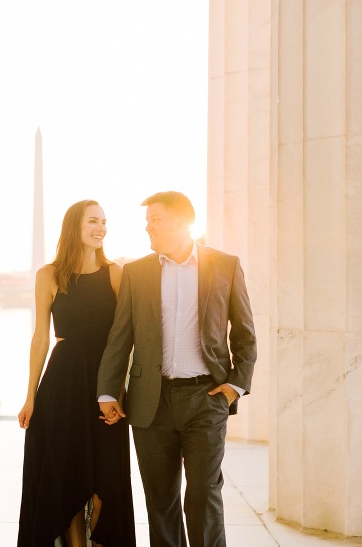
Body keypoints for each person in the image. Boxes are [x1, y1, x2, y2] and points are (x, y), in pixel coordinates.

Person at [97, 191, 256, 547]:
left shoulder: (225, 265)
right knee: (160, 500)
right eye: (147, 221)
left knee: (203, 494)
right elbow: (120, 336)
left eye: (155, 220)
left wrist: (236, 386)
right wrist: (108, 391)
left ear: (182, 222)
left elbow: (245, 334)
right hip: (151, 402)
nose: (147, 227)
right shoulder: (137, 272)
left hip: (206, 398)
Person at [18, 200, 136, 547]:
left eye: (104, 222)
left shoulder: (116, 273)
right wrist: (30, 396)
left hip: (104, 383)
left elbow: (126, 337)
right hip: (63, 383)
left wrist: (119, 391)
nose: (101, 227)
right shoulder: (48, 275)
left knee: (106, 485)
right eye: (93, 221)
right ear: (74, 227)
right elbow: (41, 337)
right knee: (65, 480)